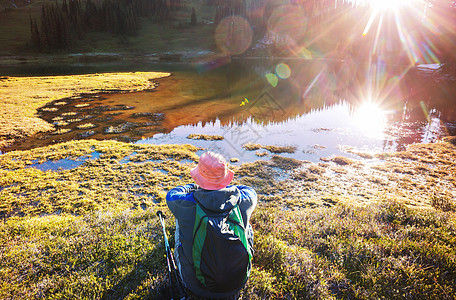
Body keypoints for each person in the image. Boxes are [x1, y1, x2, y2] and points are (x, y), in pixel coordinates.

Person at [166, 151, 257, 299]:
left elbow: (172, 194)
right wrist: (223, 183)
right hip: (238, 282)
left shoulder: (184, 203)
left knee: (180, 221)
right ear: (226, 178)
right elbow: (249, 190)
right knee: (246, 225)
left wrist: (193, 187)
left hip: (195, 285)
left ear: (199, 178)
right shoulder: (245, 200)